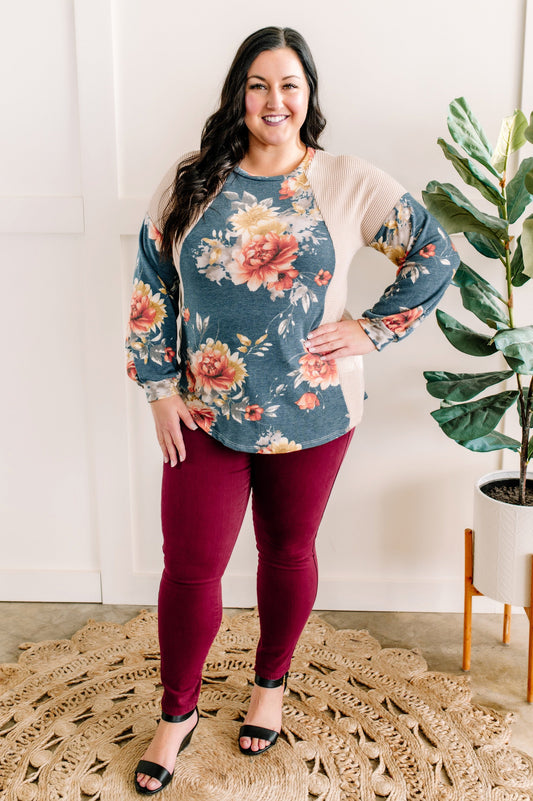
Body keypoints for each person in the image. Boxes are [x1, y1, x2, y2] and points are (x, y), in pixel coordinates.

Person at [125, 25, 458, 795]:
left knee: (287, 551)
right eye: (258, 85)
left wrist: (369, 329)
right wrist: (158, 388)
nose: (274, 101)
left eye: (289, 85)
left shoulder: (345, 179)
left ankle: (268, 685)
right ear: (238, 95)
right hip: (204, 414)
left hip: (313, 412)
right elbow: (152, 287)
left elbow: (433, 253)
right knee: (190, 568)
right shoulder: (189, 182)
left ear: (308, 96)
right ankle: (177, 712)